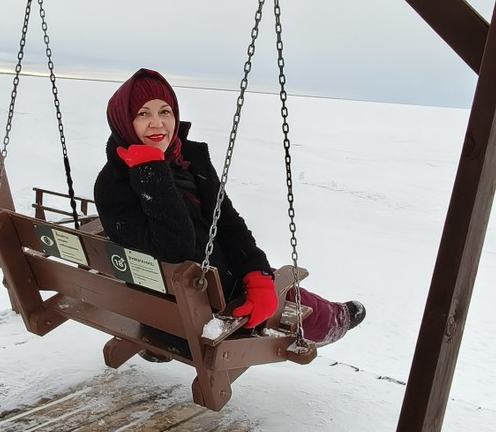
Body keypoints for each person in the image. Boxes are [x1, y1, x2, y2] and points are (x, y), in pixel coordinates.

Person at [93, 68, 365, 348]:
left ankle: (300, 298)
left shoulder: (188, 161)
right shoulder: (113, 186)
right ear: (123, 120)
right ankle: (334, 319)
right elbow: (176, 247)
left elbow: (228, 224)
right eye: (143, 114)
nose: (158, 123)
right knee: (290, 295)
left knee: (264, 279)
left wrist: (257, 274)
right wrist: (150, 169)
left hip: (194, 297)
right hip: (203, 318)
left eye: (165, 111)